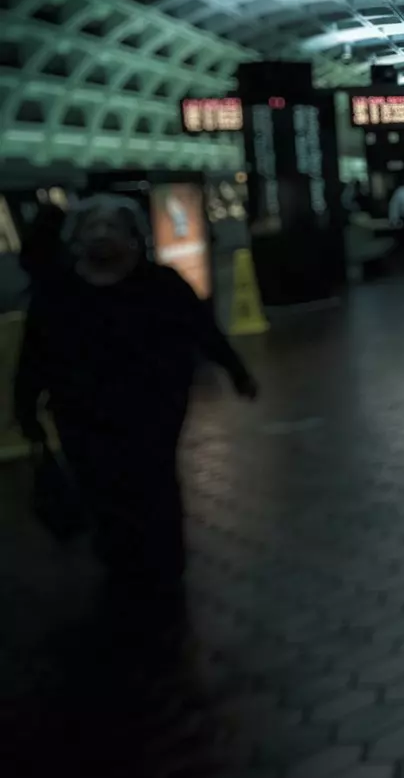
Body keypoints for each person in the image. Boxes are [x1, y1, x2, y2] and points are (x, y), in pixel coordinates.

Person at [13, 194, 257, 643]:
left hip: (153, 409)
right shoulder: (58, 293)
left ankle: (163, 567)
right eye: (93, 229)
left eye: (113, 228)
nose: (103, 236)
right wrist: (25, 407)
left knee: (154, 482)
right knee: (102, 488)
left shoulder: (160, 284)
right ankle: (122, 563)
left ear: (134, 238)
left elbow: (201, 329)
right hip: (83, 415)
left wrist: (235, 368)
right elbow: (35, 356)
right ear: (77, 239)